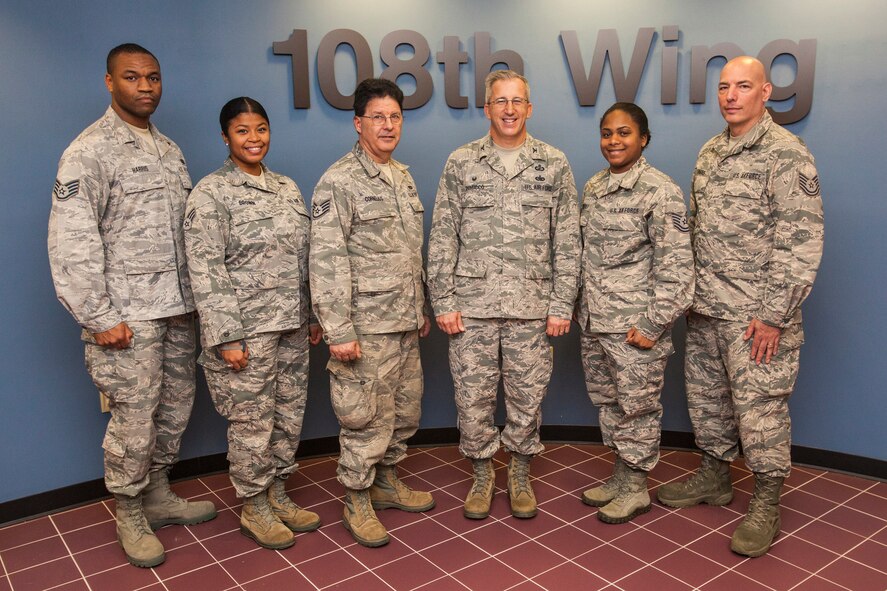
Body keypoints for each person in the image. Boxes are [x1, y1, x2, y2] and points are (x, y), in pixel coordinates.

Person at [47, 44, 216, 568]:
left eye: (153, 78)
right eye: (132, 77)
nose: (145, 86)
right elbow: (72, 239)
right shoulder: (89, 151)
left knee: (174, 410)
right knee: (134, 418)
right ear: (109, 82)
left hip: (175, 311)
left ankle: (158, 494)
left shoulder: (169, 150)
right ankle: (128, 509)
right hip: (127, 317)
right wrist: (99, 317)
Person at [656, 57, 824, 557]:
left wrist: (776, 314)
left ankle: (767, 499)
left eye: (743, 86)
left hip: (757, 316)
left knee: (760, 414)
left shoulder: (785, 155)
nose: (731, 96)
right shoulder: (711, 152)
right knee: (708, 404)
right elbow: (698, 229)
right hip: (707, 308)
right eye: (725, 87)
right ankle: (714, 476)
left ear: (765, 92)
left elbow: (802, 241)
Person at [427, 70, 580, 520]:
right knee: (471, 397)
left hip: (532, 309)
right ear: (487, 107)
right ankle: (481, 472)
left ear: (529, 109)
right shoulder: (461, 162)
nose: (509, 110)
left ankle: (518, 470)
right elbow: (442, 237)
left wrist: (560, 304)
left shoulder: (553, 163)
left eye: (517, 101)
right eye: (500, 101)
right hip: (470, 308)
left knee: (527, 396)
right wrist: (443, 301)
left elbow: (567, 240)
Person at [184, 97, 322, 550]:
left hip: (291, 328)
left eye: (260, 128)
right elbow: (206, 269)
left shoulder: (286, 188)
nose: (253, 138)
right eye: (242, 131)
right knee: (251, 422)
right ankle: (253, 504)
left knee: (287, 415)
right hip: (245, 333)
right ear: (225, 137)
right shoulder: (210, 194)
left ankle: (278, 491)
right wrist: (227, 336)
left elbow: (305, 261)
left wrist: (313, 316)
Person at [309, 78, 434, 548]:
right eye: (377, 117)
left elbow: (410, 252)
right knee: (363, 418)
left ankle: (385, 484)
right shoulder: (338, 181)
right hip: (362, 328)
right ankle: (356, 499)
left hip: (402, 321)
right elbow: (325, 257)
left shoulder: (402, 176)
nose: (387, 125)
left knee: (403, 412)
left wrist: (419, 307)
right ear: (358, 123)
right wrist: (337, 328)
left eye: (395, 117)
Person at [576, 103, 694, 524]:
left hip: (634, 327)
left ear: (644, 139)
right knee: (609, 403)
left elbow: (678, 268)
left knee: (638, 407)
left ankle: (636, 487)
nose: (614, 141)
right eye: (607, 133)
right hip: (595, 323)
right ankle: (621, 474)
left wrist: (652, 324)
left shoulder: (661, 191)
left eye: (624, 133)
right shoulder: (593, 187)